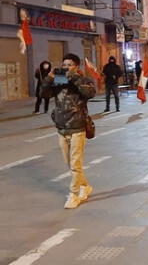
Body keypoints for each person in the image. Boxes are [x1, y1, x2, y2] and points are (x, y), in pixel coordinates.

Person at [41, 53, 96, 209]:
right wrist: (49, 79)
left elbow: (89, 93)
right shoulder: (60, 80)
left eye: (69, 65)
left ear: (76, 67)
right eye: (64, 65)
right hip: (61, 127)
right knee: (70, 164)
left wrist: (74, 77)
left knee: (75, 165)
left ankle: (74, 194)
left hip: (77, 127)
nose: (65, 68)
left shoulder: (82, 80)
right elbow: (44, 95)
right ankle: (85, 186)